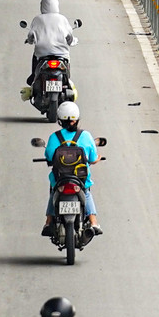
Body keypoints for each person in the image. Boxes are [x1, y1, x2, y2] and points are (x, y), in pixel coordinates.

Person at [42, 101, 103, 237]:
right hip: (80, 179)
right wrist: (96, 159)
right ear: (77, 119)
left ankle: (48, 221)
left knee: (54, 193)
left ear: (59, 120)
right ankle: (93, 222)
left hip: (60, 179)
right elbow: (92, 158)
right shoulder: (86, 136)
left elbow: (49, 156)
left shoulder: (54, 137)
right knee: (86, 193)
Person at [23, 0, 76, 86]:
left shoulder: (37, 19)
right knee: (67, 60)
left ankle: (33, 77)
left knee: (35, 56)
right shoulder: (62, 19)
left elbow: (31, 35)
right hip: (61, 54)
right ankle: (67, 78)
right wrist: (72, 41)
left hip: (42, 54)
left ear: (42, 5)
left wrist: (30, 41)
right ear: (56, 4)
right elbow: (69, 37)